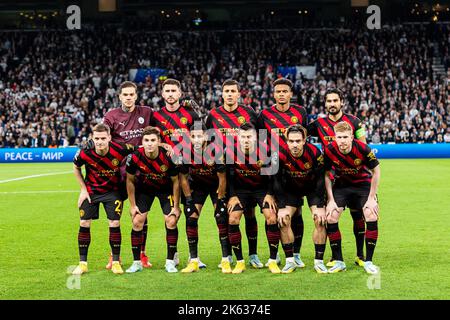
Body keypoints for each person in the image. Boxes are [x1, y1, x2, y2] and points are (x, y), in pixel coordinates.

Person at [205, 79, 263, 269]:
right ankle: (227, 255)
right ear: (222, 94)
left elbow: (260, 136)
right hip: (222, 173)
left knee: (250, 214)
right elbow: (207, 139)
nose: (229, 94)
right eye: (226, 91)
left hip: (244, 171)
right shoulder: (213, 115)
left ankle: (253, 255)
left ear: (239, 94)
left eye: (233, 91)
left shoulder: (250, 113)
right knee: (223, 214)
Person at [308, 88, 368, 268]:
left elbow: (363, 147)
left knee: (358, 217)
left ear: (342, 102)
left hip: (353, 177)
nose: (332, 104)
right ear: (325, 104)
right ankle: (336, 257)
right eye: (329, 101)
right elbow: (299, 134)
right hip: (331, 178)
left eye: (335, 100)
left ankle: (360, 255)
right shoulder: (318, 124)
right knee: (330, 216)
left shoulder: (355, 122)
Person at [149, 78, 204, 267]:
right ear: (162, 94)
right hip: (167, 175)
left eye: (174, 90)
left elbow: (200, 138)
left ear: (180, 94)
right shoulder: (155, 116)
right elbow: (151, 138)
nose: (171, 94)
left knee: (191, 216)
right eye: (167, 91)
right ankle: (173, 255)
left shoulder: (190, 114)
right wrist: (163, 144)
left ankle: (193, 256)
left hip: (189, 173)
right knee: (172, 217)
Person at [102, 81, 154, 269]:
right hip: (118, 174)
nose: (129, 97)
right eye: (125, 95)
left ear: (136, 95)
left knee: (141, 216)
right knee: (114, 217)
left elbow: (159, 131)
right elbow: (103, 135)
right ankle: (114, 256)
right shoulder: (111, 116)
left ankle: (142, 254)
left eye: (132, 94)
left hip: (140, 174)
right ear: (120, 96)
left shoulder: (147, 112)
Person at [257, 78, 308, 267]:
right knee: (271, 211)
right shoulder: (265, 114)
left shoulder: (300, 112)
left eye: (284, 91)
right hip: (271, 167)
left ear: (290, 94)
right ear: (273, 94)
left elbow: (304, 139)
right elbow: (262, 142)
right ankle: (275, 253)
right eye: (278, 91)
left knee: (296, 212)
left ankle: (296, 254)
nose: (281, 94)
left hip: (293, 169)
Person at [72, 123, 135, 275]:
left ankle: (115, 262)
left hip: (112, 192)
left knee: (114, 222)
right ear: (92, 138)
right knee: (84, 223)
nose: (100, 141)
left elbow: (138, 148)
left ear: (109, 138)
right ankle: (82, 264)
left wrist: (162, 146)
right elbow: (75, 167)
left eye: (103, 138)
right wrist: (83, 188)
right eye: (97, 138)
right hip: (91, 191)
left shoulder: (120, 148)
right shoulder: (85, 152)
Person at [323, 121, 380, 275]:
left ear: (351, 137)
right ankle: (339, 261)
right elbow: (326, 175)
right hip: (342, 186)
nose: (342, 141)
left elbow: (376, 171)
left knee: (370, 213)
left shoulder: (362, 148)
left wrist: (371, 198)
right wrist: (330, 200)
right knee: (331, 216)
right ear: (335, 137)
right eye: (339, 137)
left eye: (345, 137)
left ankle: (368, 261)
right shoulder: (329, 150)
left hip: (363, 186)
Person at [125, 126, 181, 273]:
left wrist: (176, 206)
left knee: (171, 220)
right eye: (146, 140)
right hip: (145, 190)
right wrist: (132, 206)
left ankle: (170, 261)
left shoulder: (169, 156)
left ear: (159, 142)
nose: (149, 143)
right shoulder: (135, 156)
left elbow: (176, 181)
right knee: (137, 221)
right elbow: (129, 181)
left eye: (153, 140)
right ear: (142, 142)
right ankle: (136, 262)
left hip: (165, 190)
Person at [226, 123, 280, 274]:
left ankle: (272, 260)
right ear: (238, 138)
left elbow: (272, 176)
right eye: (243, 137)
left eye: (249, 136)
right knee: (233, 219)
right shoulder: (230, 152)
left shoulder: (266, 151)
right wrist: (232, 196)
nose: (246, 140)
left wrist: (270, 194)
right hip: (240, 191)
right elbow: (229, 177)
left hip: (261, 189)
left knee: (271, 217)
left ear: (256, 138)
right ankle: (240, 262)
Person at [274, 125, 328, 274]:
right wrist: (282, 206)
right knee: (284, 219)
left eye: (298, 141)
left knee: (320, 219)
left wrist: (320, 205)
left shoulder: (315, 152)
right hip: (290, 190)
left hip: (312, 189)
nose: (295, 145)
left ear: (304, 140)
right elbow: (276, 181)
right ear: (286, 141)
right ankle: (290, 261)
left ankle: (319, 261)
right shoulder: (278, 154)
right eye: (291, 141)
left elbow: (320, 180)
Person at [179, 123, 229, 273]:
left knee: (221, 216)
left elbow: (222, 178)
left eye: (199, 136)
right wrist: (188, 200)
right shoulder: (185, 151)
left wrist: (220, 200)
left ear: (206, 136)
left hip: (215, 186)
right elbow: (183, 178)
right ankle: (194, 260)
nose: (196, 140)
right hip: (198, 186)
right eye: (193, 137)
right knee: (191, 217)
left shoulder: (216, 151)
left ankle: (226, 259)